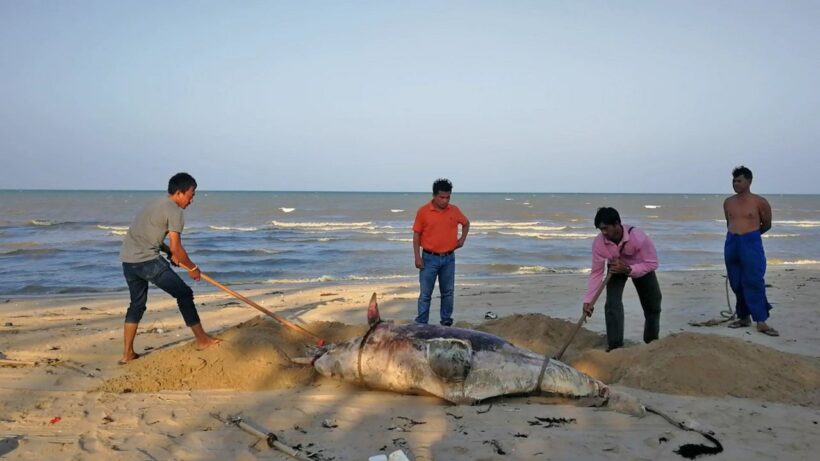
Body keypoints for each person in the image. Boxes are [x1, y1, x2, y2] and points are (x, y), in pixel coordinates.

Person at [118, 173, 221, 364]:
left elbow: (146, 235)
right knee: (184, 294)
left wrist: (167, 252)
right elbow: (177, 247)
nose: (192, 199)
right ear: (180, 193)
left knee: (137, 305)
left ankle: (127, 354)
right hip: (147, 261)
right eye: (191, 194)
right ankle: (202, 340)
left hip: (128, 261)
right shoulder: (175, 211)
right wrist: (193, 268)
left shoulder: (154, 203)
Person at [582, 207, 662, 351]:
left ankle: (651, 344)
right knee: (612, 305)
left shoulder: (639, 237)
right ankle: (615, 346)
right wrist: (589, 300)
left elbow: (652, 263)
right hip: (615, 267)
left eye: (606, 228)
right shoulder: (599, 243)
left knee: (653, 305)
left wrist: (629, 269)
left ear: (617, 223)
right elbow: (596, 272)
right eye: (601, 230)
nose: (604, 233)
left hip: (641, 267)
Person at [723, 166, 779, 336]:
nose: (735, 184)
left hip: (751, 241)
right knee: (736, 281)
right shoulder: (728, 202)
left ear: (749, 181)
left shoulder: (759, 201)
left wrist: (751, 237)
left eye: (739, 180)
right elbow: (729, 221)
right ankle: (743, 316)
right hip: (732, 242)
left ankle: (761, 320)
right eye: (734, 180)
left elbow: (767, 224)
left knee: (754, 280)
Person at [412, 178, 470, 326]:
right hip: (429, 258)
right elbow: (417, 234)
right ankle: (422, 323)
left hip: (449, 258)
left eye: (448, 197)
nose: (445, 201)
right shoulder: (423, 211)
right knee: (425, 294)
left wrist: (462, 240)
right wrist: (417, 257)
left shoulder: (454, 210)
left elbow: (466, 223)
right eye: (441, 197)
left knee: (448, 293)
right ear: (434, 195)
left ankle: (446, 321)